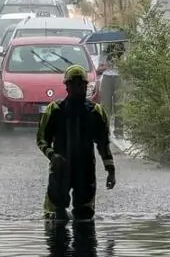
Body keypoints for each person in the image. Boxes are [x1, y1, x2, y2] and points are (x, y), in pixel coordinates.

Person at [37, 64, 116, 221]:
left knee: (85, 217)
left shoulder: (96, 112)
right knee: (55, 217)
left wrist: (110, 170)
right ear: (66, 86)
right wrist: (53, 156)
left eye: (81, 84)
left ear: (86, 86)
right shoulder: (54, 110)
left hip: (85, 172)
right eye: (73, 84)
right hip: (60, 171)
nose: (78, 88)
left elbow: (103, 145)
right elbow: (41, 139)